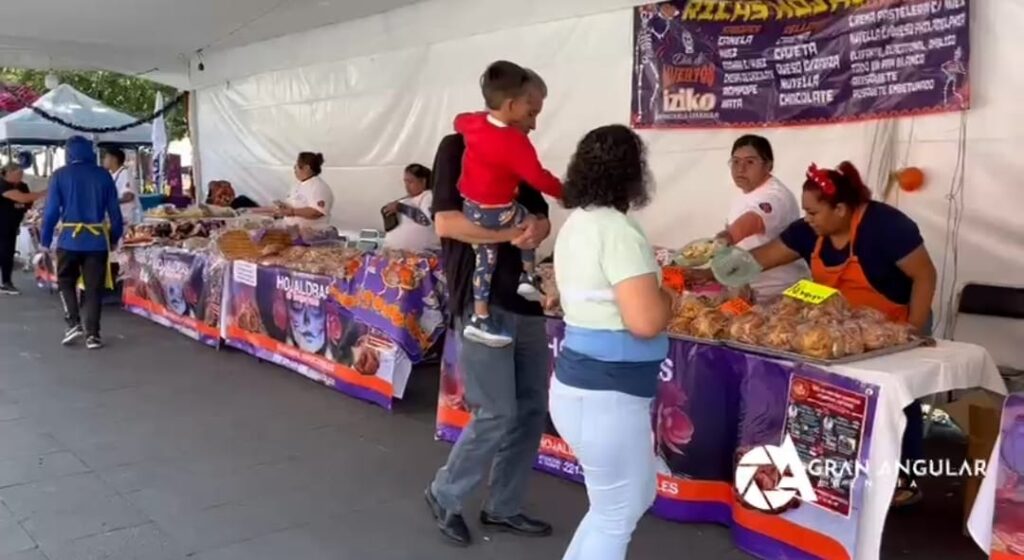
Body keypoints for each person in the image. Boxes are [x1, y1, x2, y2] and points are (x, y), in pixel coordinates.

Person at [743, 160, 937, 507]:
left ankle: (904, 478)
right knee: (838, 398)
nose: (807, 219)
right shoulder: (809, 231)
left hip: (897, 324)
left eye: (814, 212)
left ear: (842, 208)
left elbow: (925, 275)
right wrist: (722, 268)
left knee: (898, 400)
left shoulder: (887, 226)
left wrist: (914, 331)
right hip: (841, 329)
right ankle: (840, 471)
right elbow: (762, 257)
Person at [425, 67, 554, 547]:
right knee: (496, 410)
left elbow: (540, 210)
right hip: (479, 301)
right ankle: (446, 493)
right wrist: (507, 234)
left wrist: (538, 227)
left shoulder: (520, 152)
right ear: (507, 104)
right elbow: (446, 223)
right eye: (531, 112)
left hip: (524, 299)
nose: (534, 124)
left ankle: (503, 506)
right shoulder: (455, 147)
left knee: (529, 410)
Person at [549, 125, 671, 560]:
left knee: (622, 503)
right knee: (617, 512)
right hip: (608, 395)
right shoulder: (618, 230)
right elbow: (645, 321)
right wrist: (669, 296)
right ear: (633, 173)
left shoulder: (576, 224)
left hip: (586, 389)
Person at [455, 60, 564, 348]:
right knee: (525, 219)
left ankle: (480, 318)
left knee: (484, 261)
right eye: (531, 113)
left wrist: (479, 117)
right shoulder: (515, 143)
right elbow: (540, 178)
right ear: (513, 105)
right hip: (498, 211)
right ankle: (528, 277)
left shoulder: (473, 125)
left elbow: (459, 119)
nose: (534, 123)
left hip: (472, 208)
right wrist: (565, 193)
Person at [40, 136, 124, 350]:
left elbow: (50, 213)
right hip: (96, 241)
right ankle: (93, 335)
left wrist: (45, 240)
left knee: (66, 281)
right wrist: (113, 238)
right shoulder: (103, 175)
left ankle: (73, 323)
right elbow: (115, 212)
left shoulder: (60, 175)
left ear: (69, 153)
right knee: (94, 288)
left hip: (68, 240)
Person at [717, 135, 808, 301]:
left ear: (768, 165)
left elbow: (753, 220)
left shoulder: (775, 195)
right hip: (750, 295)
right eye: (735, 162)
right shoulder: (744, 194)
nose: (740, 168)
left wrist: (727, 237)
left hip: (781, 295)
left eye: (750, 162)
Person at [0, 162, 46, 294]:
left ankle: (6, 282)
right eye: (18, 173)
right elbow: (23, 198)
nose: (21, 176)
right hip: (2, 224)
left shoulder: (23, 185)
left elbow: (27, 203)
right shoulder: (2, 184)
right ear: (8, 173)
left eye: (21, 173)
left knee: (7, 252)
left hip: (12, 224)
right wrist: (46, 192)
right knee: (5, 253)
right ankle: (6, 282)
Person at [258, 152, 334, 227]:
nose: (294, 169)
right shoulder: (297, 185)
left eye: (296, 166)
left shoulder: (319, 187)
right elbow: (295, 205)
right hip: (291, 230)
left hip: (311, 234)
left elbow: (316, 212)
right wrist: (283, 207)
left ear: (306, 168)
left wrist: (292, 212)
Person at [382, 164, 439, 252]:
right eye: (405, 182)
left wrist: (401, 207)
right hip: (396, 255)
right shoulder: (406, 199)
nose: (407, 186)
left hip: (420, 256)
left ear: (423, 182)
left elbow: (426, 220)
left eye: (410, 182)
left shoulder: (428, 196)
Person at [102, 148, 141, 226]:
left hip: (127, 219)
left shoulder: (125, 173)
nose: (104, 160)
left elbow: (129, 196)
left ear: (114, 159)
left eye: (106, 157)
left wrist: (109, 202)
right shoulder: (111, 175)